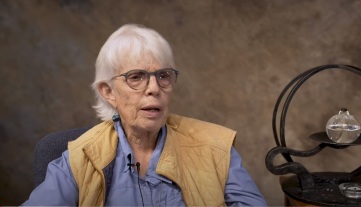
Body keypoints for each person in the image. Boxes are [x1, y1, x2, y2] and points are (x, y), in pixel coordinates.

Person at [23, 24, 267, 206]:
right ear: (108, 92)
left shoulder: (215, 147)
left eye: (163, 76)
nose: (154, 88)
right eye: (136, 77)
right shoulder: (81, 157)